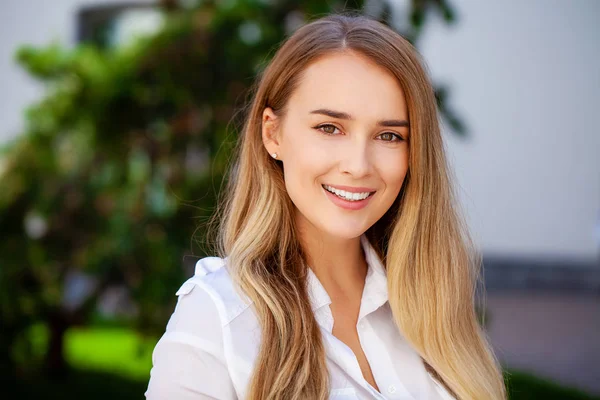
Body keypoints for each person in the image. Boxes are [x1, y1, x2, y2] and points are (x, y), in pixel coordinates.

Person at [145, 13, 507, 400]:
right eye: (329, 128)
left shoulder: (429, 306)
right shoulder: (218, 317)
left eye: (389, 135)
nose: (358, 164)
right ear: (273, 134)